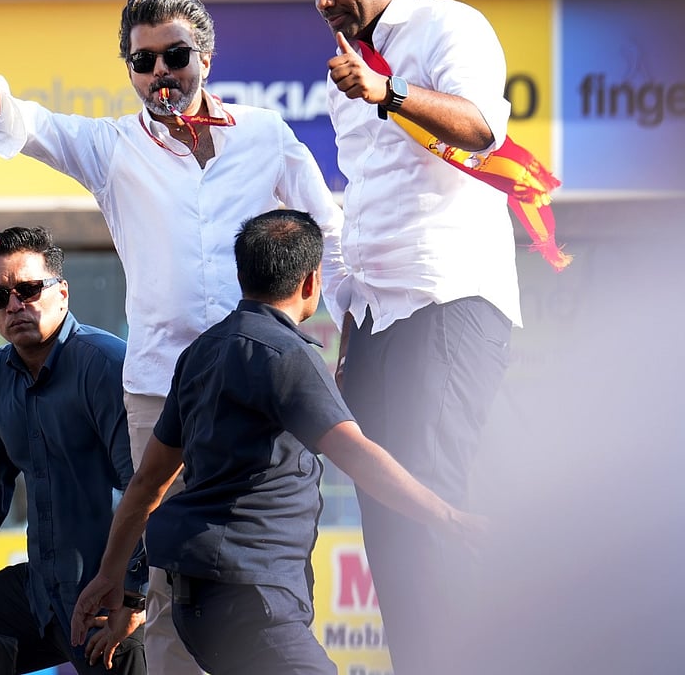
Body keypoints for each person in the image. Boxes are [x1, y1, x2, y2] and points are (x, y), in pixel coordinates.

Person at [0, 0, 346, 675]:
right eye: (143, 61)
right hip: (164, 394)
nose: (160, 73)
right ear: (129, 69)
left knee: (271, 569)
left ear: (206, 58)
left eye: (175, 55)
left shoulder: (266, 135)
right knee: (164, 582)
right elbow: (16, 119)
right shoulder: (110, 146)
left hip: (261, 389)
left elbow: (329, 240)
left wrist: (342, 348)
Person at [69, 209, 486, 675]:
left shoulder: (201, 352)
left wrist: (111, 574)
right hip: (253, 600)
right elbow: (358, 456)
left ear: (242, 275)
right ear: (312, 282)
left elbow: (148, 481)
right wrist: (449, 516)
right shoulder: (286, 355)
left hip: (198, 604)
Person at [298, 0, 521, 675]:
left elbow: (482, 127)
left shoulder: (449, 29)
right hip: (377, 318)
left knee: (435, 501)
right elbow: (365, 203)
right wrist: (349, 331)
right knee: (388, 516)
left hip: (448, 300)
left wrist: (386, 93)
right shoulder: (344, 69)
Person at [0, 226, 147, 674]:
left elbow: (149, 488)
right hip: (41, 595)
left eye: (28, 289)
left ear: (62, 292)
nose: (15, 305)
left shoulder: (106, 365)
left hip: (110, 600)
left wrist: (135, 593)